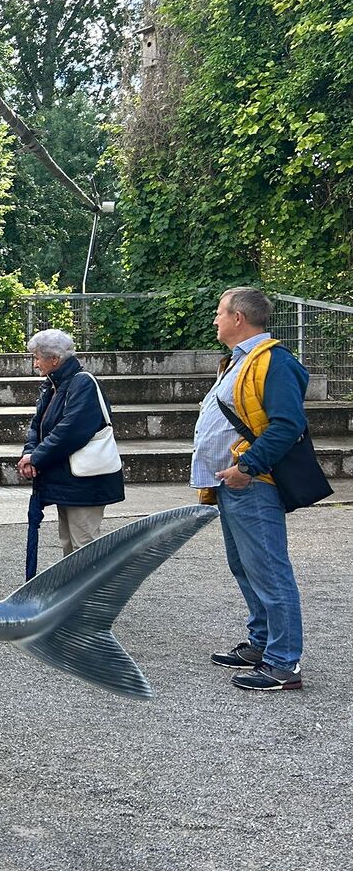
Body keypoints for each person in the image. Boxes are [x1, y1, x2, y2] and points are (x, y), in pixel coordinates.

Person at [193, 286, 310, 691]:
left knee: (270, 571)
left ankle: (284, 663)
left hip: (253, 482)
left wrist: (247, 466)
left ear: (238, 318)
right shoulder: (240, 360)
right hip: (233, 483)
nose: (215, 319)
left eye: (220, 312)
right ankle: (262, 644)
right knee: (246, 567)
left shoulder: (274, 360)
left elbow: (287, 425)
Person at [17, 328, 125, 570]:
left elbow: (70, 431)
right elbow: (38, 425)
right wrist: (29, 453)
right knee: (70, 544)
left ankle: (91, 594)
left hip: (85, 483)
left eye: (37, 358)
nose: (35, 364)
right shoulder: (54, 384)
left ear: (55, 359)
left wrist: (36, 457)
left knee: (84, 546)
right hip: (69, 480)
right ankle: (76, 592)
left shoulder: (81, 383)